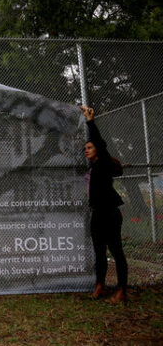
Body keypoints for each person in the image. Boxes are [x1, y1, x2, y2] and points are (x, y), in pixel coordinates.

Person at [81, 105, 128, 303]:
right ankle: (99, 286)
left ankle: (122, 290)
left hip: (109, 213)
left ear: (98, 150)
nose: (86, 150)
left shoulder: (103, 164)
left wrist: (90, 121)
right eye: (85, 148)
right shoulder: (92, 168)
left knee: (116, 251)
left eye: (89, 148)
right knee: (99, 252)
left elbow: (100, 142)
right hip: (97, 214)